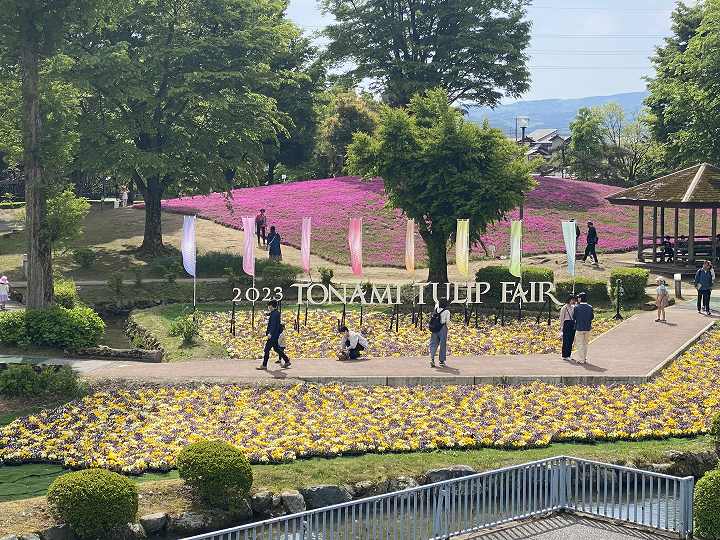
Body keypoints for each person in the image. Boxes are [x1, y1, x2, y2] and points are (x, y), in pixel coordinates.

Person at [257, 300, 290, 369]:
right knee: (276, 348)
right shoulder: (276, 313)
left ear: (271, 306)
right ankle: (287, 360)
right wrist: (267, 314)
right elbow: (271, 315)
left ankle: (264, 365)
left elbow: (273, 325)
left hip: (272, 335)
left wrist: (270, 333)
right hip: (275, 335)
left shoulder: (274, 314)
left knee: (266, 350)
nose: (268, 307)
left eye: (268, 306)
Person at [572, 292, 594, 364]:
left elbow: (574, 317)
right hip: (587, 327)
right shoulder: (590, 307)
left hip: (579, 327)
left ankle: (581, 359)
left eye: (578, 297)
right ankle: (584, 358)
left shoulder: (576, 307)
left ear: (580, 299)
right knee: (585, 344)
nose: (578, 299)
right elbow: (592, 317)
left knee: (579, 344)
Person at [429, 299, 451, 367]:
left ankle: (432, 358)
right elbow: (447, 322)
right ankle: (441, 361)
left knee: (433, 343)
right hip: (442, 328)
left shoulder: (436, 308)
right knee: (442, 344)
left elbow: (436, 305)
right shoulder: (447, 311)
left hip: (434, 327)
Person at [559, 295, 576, 361]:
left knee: (571, 340)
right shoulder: (564, 307)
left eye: (573, 299)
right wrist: (561, 328)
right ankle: (564, 355)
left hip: (572, 324)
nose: (573, 301)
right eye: (572, 299)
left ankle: (569, 355)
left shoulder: (573, 307)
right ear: (569, 300)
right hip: (566, 324)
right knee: (566, 340)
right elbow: (561, 318)